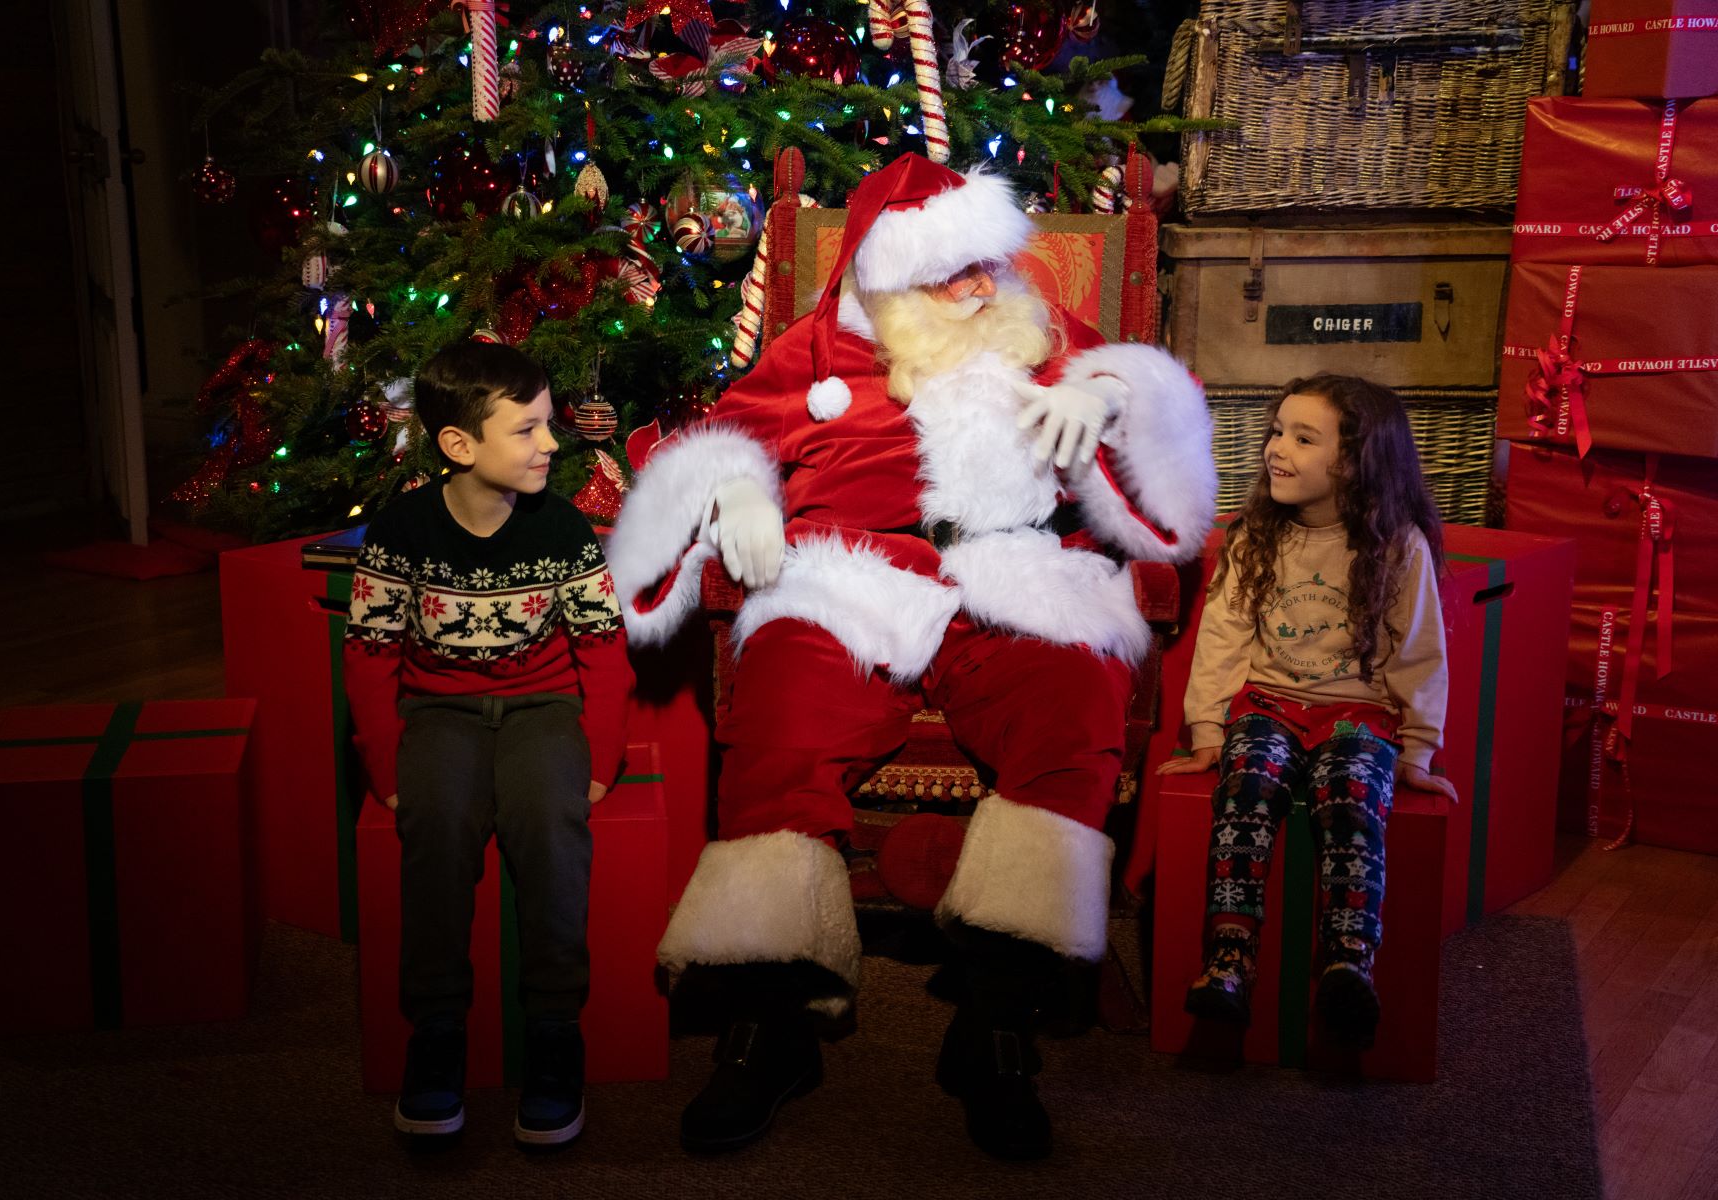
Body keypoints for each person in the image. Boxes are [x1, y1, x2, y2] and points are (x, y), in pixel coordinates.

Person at [605, 153, 1216, 1160]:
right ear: (888, 277)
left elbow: (1168, 450)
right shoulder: (815, 349)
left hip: (1011, 567)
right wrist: (741, 494)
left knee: (1076, 699)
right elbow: (714, 441)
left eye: (990, 266)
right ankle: (771, 1021)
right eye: (954, 274)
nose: (983, 288)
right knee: (785, 714)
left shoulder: (1048, 335)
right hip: (854, 575)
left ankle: (997, 1024)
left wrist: (1111, 398)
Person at [342, 338, 634, 1145]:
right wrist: (385, 766)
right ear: (460, 445)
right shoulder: (402, 530)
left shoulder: (561, 528)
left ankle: (553, 1030)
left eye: (549, 425)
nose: (550, 444)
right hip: (440, 712)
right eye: (528, 429)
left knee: (550, 826)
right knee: (433, 827)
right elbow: (368, 654)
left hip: (542, 707)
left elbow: (604, 649)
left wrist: (600, 760)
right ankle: (435, 1031)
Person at [1159, 374, 1456, 1050]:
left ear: (1354, 462)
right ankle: (1229, 961)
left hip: (1357, 710)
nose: (1276, 449)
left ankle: (1348, 963)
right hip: (1269, 703)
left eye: (1302, 437)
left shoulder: (1396, 546)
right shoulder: (1254, 537)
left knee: (1351, 794)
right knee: (1247, 788)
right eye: (1276, 432)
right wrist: (1208, 728)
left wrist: (1417, 751)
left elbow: (1420, 654)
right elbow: (1223, 638)